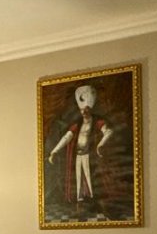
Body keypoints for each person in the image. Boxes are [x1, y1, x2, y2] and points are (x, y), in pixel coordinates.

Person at [47, 84, 114, 220]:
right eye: (81, 109)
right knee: (79, 180)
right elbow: (66, 137)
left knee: (91, 179)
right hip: (78, 156)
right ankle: (81, 205)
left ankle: (96, 204)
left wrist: (100, 144)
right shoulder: (77, 124)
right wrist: (54, 151)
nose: (83, 112)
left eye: (86, 109)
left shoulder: (97, 121)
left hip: (90, 157)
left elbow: (109, 131)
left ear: (90, 108)